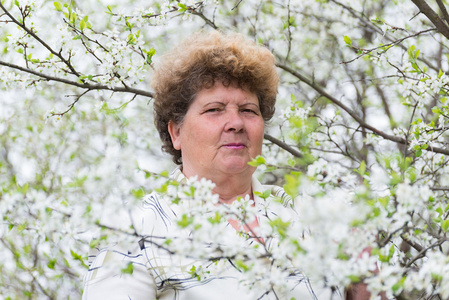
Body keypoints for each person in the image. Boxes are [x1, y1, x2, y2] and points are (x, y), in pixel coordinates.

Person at [82, 31, 346, 299]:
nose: (236, 123)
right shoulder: (135, 233)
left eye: (248, 110)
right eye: (214, 109)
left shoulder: (308, 218)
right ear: (176, 133)